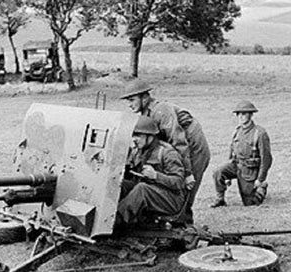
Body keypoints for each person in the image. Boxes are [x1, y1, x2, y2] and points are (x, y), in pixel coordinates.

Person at [120, 79, 210, 220]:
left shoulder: (162, 111)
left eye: (132, 100)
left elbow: (179, 142)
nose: (130, 105)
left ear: (144, 97)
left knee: (186, 188)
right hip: (180, 143)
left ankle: (184, 222)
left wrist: (187, 173)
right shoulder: (146, 114)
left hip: (194, 144)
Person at [116, 116, 187, 226]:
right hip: (152, 193)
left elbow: (178, 182)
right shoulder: (137, 151)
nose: (134, 139)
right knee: (120, 184)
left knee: (142, 189)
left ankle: (115, 221)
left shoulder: (167, 153)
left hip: (172, 200)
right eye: (133, 135)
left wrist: (155, 176)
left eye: (138, 135)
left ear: (150, 136)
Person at [211, 100, 273, 207]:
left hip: (249, 170)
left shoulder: (259, 133)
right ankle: (220, 199)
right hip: (236, 165)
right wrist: (228, 175)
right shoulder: (237, 131)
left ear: (251, 115)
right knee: (218, 172)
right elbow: (232, 152)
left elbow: (266, 159)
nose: (240, 116)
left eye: (244, 114)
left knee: (250, 203)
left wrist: (260, 179)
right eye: (238, 114)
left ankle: (261, 187)